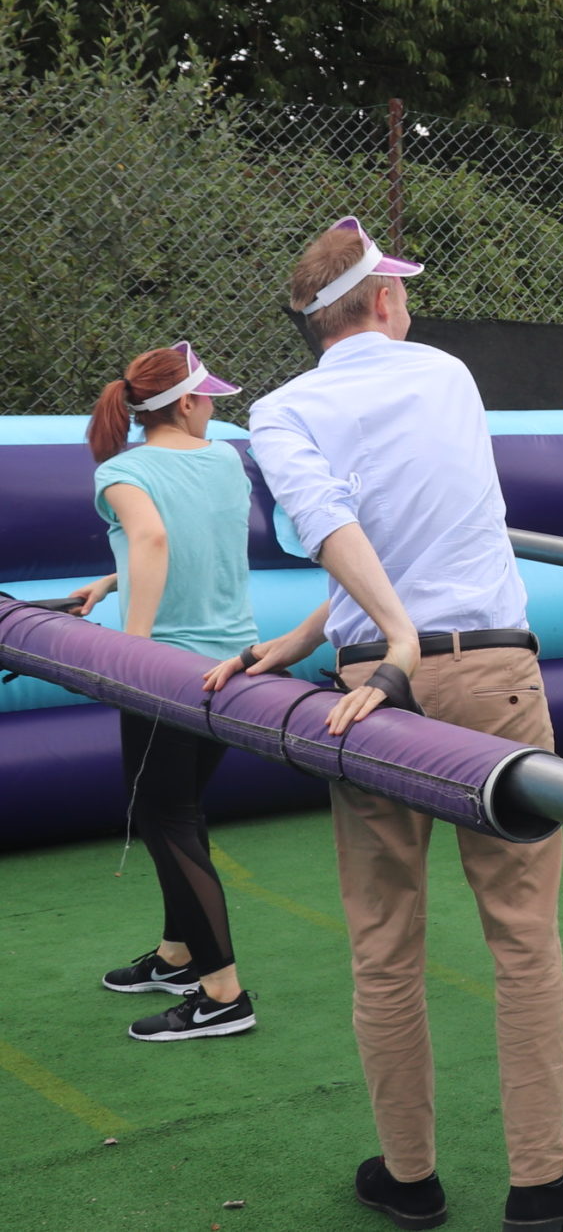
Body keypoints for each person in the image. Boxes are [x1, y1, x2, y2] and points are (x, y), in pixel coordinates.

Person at [226, 217, 563, 1232]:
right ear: (383, 302)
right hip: (483, 668)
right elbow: (409, 531)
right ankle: (540, 1182)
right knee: (522, 937)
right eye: (399, 287)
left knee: (384, 941)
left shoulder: (278, 411)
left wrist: (329, 634)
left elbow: (339, 528)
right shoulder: (444, 375)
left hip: (368, 691)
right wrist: (385, 634)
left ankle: (409, 1177)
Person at [69, 342, 263, 1041]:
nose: (213, 405)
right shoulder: (226, 460)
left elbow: (151, 535)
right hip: (231, 664)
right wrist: (112, 579)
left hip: (168, 671)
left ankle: (222, 994)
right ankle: (181, 957)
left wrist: (135, 645)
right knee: (180, 811)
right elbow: (185, 539)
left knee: (164, 816)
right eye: (209, 394)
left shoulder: (123, 469)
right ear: (186, 402)